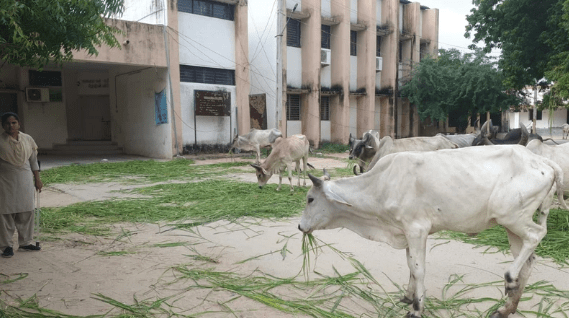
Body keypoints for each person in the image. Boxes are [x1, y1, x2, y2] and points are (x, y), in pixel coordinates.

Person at [0, 112, 43, 258]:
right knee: (5, 213)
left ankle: (25, 243)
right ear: (3, 125)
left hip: (24, 178)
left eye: (14, 123)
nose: (11, 126)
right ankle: (6, 246)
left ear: (19, 124)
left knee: (26, 211)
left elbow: (33, 161)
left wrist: (37, 179)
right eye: (7, 123)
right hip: (5, 179)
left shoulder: (27, 139)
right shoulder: (0, 141)